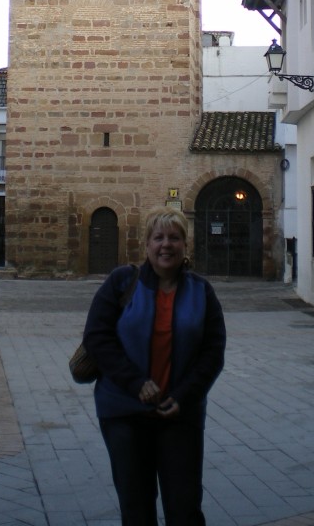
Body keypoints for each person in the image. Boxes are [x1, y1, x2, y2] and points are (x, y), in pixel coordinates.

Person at [81, 206, 226, 526]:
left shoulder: (201, 292)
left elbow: (213, 352)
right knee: (136, 509)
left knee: (185, 508)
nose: (166, 245)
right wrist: (135, 382)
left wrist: (185, 395)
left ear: (185, 246)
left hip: (179, 414)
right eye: (158, 237)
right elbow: (97, 338)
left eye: (174, 238)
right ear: (146, 244)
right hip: (124, 413)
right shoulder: (122, 282)